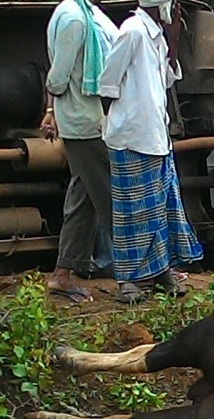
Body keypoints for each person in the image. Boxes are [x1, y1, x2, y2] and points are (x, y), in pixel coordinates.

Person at [99, 0, 203, 303]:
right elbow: (108, 83)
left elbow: (167, 79)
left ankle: (161, 271)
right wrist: (123, 119)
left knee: (161, 208)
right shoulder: (132, 31)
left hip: (157, 137)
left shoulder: (156, 35)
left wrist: (173, 40)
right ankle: (128, 279)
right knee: (132, 212)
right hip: (132, 137)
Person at [43, 0, 116, 302]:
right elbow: (58, 76)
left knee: (83, 198)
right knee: (111, 194)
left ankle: (63, 273)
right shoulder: (74, 17)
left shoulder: (87, 11)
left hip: (90, 118)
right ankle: (139, 270)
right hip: (85, 122)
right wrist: (51, 110)